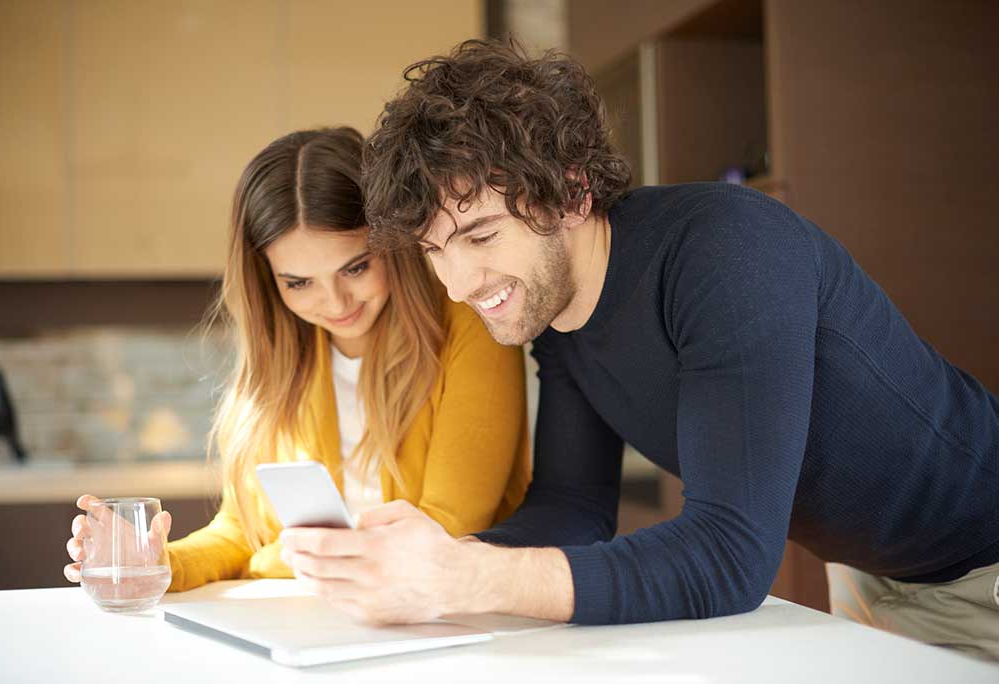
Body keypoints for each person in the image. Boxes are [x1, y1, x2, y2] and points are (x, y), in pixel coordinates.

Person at [277, 40, 999, 661]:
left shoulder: (726, 251)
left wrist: (466, 579)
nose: (460, 283)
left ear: (572, 192)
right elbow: (570, 507)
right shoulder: (556, 313)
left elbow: (729, 555)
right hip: (877, 578)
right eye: (435, 251)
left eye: (481, 235)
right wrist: (433, 558)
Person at [63, 127, 530, 593]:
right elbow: (239, 534)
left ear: (396, 246)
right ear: (268, 281)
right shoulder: (284, 361)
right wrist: (157, 560)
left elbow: (443, 530)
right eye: (299, 283)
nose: (335, 302)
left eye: (356, 267)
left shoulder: (468, 323)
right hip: (320, 624)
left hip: (450, 625)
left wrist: (274, 559)